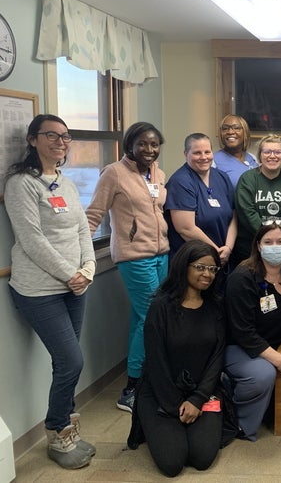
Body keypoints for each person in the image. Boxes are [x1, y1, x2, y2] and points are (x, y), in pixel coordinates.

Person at [5, 114, 96, 470]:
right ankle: (57, 431)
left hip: (76, 286)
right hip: (39, 290)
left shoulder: (66, 183)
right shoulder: (21, 184)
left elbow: (82, 231)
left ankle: (67, 428)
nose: (60, 141)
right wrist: (70, 273)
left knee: (65, 363)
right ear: (32, 140)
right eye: (51, 135)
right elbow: (31, 240)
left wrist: (87, 270)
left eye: (65, 136)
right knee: (72, 360)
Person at [87, 121, 169, 413]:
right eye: (143, 144)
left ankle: (141, 381)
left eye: (154, 144)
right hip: (134, 257)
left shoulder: (158, 172)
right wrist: (81, 255)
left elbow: (157, 210)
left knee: (141, 319)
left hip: (161, 254)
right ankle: (133, 389)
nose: (149, 150)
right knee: (153, 317)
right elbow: (93, 214)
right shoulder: (114, 173)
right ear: (130, 145)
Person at [127, 241, 225, 477]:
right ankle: (158, 428)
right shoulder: (161, 306)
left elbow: (217, 357)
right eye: (201, 267)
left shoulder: (216, 306)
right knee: (172, 463)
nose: (207, 274)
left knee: (201, 458)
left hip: (203, 391)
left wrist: (197, 399)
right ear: (184, 266)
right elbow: (155, 362)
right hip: (161, 392)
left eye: (213, 269)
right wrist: (174, 405)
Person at [224, 222, 281, 441]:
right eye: (268, 242)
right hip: (240, 347)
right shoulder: (242, 278)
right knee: (263, 375)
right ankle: (238, 425)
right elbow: (242, 331)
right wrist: (275, 357)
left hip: (277, 341)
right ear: (258, 246)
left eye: (280, 242)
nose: (274, 247)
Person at [165, 133, 236, 266]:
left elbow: (234, 216)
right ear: (186, 154)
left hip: (222, 257)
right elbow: (186, 228)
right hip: (193, 261)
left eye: (207, 152)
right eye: (197, 153)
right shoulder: (180, 182)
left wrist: (228, 248)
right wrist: (215, 253)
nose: (203, 157)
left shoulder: (222, 177)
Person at [233, 134, 281, 266]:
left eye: (277, 152)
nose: (272, 156)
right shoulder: (247, 179)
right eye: (267, 152)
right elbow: (247, 214)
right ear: (260, 155)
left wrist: (278, 239)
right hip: (250, 249)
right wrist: (268, 237)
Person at [212, 114, 258, 187]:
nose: (230, 132)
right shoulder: (213, 161)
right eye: (225, 128)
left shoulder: (253, 158)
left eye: (236, 128)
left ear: (245, 132)